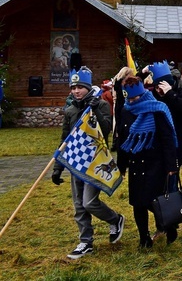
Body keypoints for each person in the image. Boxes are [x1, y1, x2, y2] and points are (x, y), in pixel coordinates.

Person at [52, 67, 124, 259]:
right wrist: (57, 168)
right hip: (76, 162)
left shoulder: (100, 104)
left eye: (80, 87)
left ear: (87, 87)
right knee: (79, 206)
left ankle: (115, 219)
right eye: (73, 87)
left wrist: (94, 110)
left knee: (89, 202)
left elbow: (107, 129)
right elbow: (64, 139)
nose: (76, 91)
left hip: (96, 161)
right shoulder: (69, 110)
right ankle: (86, 242)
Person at [117, 75, 179, 248]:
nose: (133, 101)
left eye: (136, 97)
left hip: (155, 162)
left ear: (143, 93)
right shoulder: (126, 110)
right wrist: (121, 166)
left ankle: (169, 225)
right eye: (130, 98)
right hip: (136, 161)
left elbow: (167, 138)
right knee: (138, 203)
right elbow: (123, 138)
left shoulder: (157, 108)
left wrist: (171, 165)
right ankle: (144, 238)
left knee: (154, 201)